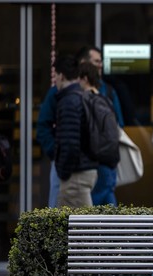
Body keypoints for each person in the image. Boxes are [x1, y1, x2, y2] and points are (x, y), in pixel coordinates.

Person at [36, 45, 124, 208]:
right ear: (83, 65)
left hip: (80, 169)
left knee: (79, 224)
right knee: (82, 220)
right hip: (88, 166)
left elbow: (70, 139)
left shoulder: (71, 98)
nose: (100, 66)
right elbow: (44, 127)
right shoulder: (71, 95)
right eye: (96, 62)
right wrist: (56, 153)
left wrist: (63, 163)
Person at [54, 55, 98, 208]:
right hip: (82, 170)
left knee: (85, 229)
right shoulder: (80, 97)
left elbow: (70, 143)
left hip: (76, 175)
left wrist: (64, 172)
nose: (55, 81)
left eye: (55, 76)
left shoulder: (69, 102)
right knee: (66, 226)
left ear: (61, 75)